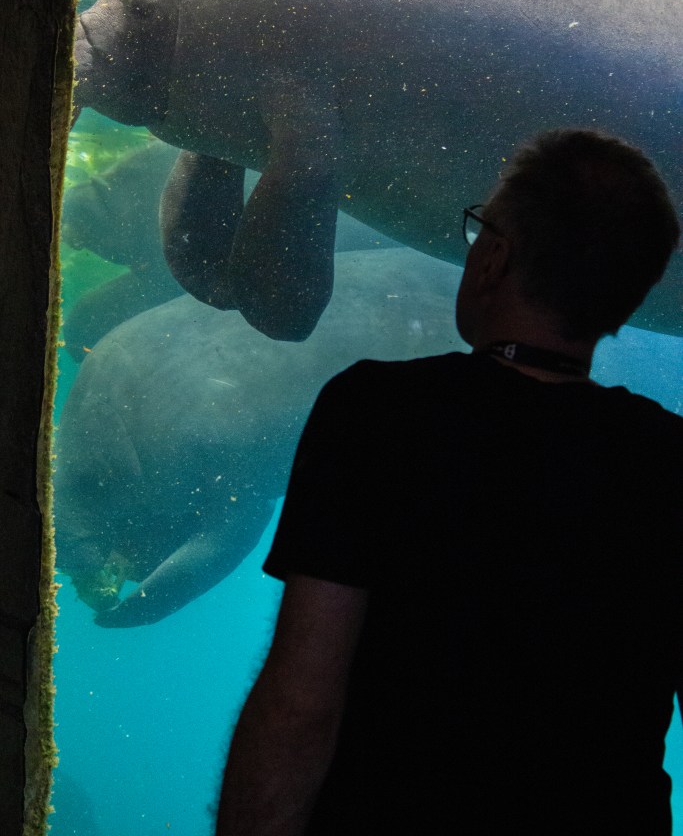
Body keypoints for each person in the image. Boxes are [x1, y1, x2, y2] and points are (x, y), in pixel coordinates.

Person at [215, 128, 682, 836]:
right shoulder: (667, 459)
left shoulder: (375, 414)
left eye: (479, 231)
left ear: (494, 257)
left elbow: (301, 704)